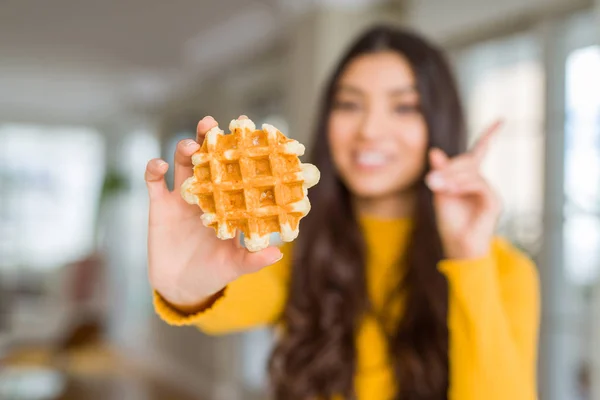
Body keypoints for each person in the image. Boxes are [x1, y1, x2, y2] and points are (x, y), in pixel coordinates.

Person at [144, 25, 539, 400]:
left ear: (439, 122)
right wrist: (186, 288)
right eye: (349, 104)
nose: (369, 129)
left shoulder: (503, 270)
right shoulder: (299, 256)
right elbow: (221, 302)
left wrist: (469, 256)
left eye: (404, 107)